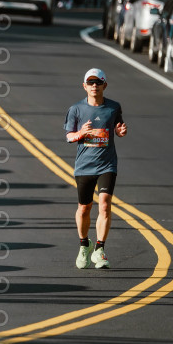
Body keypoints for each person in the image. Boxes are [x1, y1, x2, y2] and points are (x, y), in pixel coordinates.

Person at [64, 68, 127, 270]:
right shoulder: (76, 109)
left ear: (104, 85)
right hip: (84, 166)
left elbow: (118, 128)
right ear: (84, 86)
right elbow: (69, 136)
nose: (94, 86)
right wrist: (81, 133)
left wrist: (120, 131)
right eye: (90, 83)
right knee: (84, 208)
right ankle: (85, 245)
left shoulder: (113, 107)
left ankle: (100, 249)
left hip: (107, 164)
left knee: (105, 205)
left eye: (98, 83)